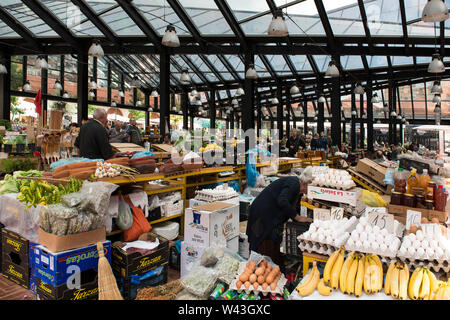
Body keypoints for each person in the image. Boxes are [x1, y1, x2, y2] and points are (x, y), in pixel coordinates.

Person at [246, 176, 310, 265]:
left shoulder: (298, 187)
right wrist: (297, 217)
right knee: (262, 240)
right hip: (262, 214)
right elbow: (282, 200)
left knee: (270, 241)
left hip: (269, 215)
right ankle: (259, 264)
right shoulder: (294, 183)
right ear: (307, 183)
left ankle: (270, 265)